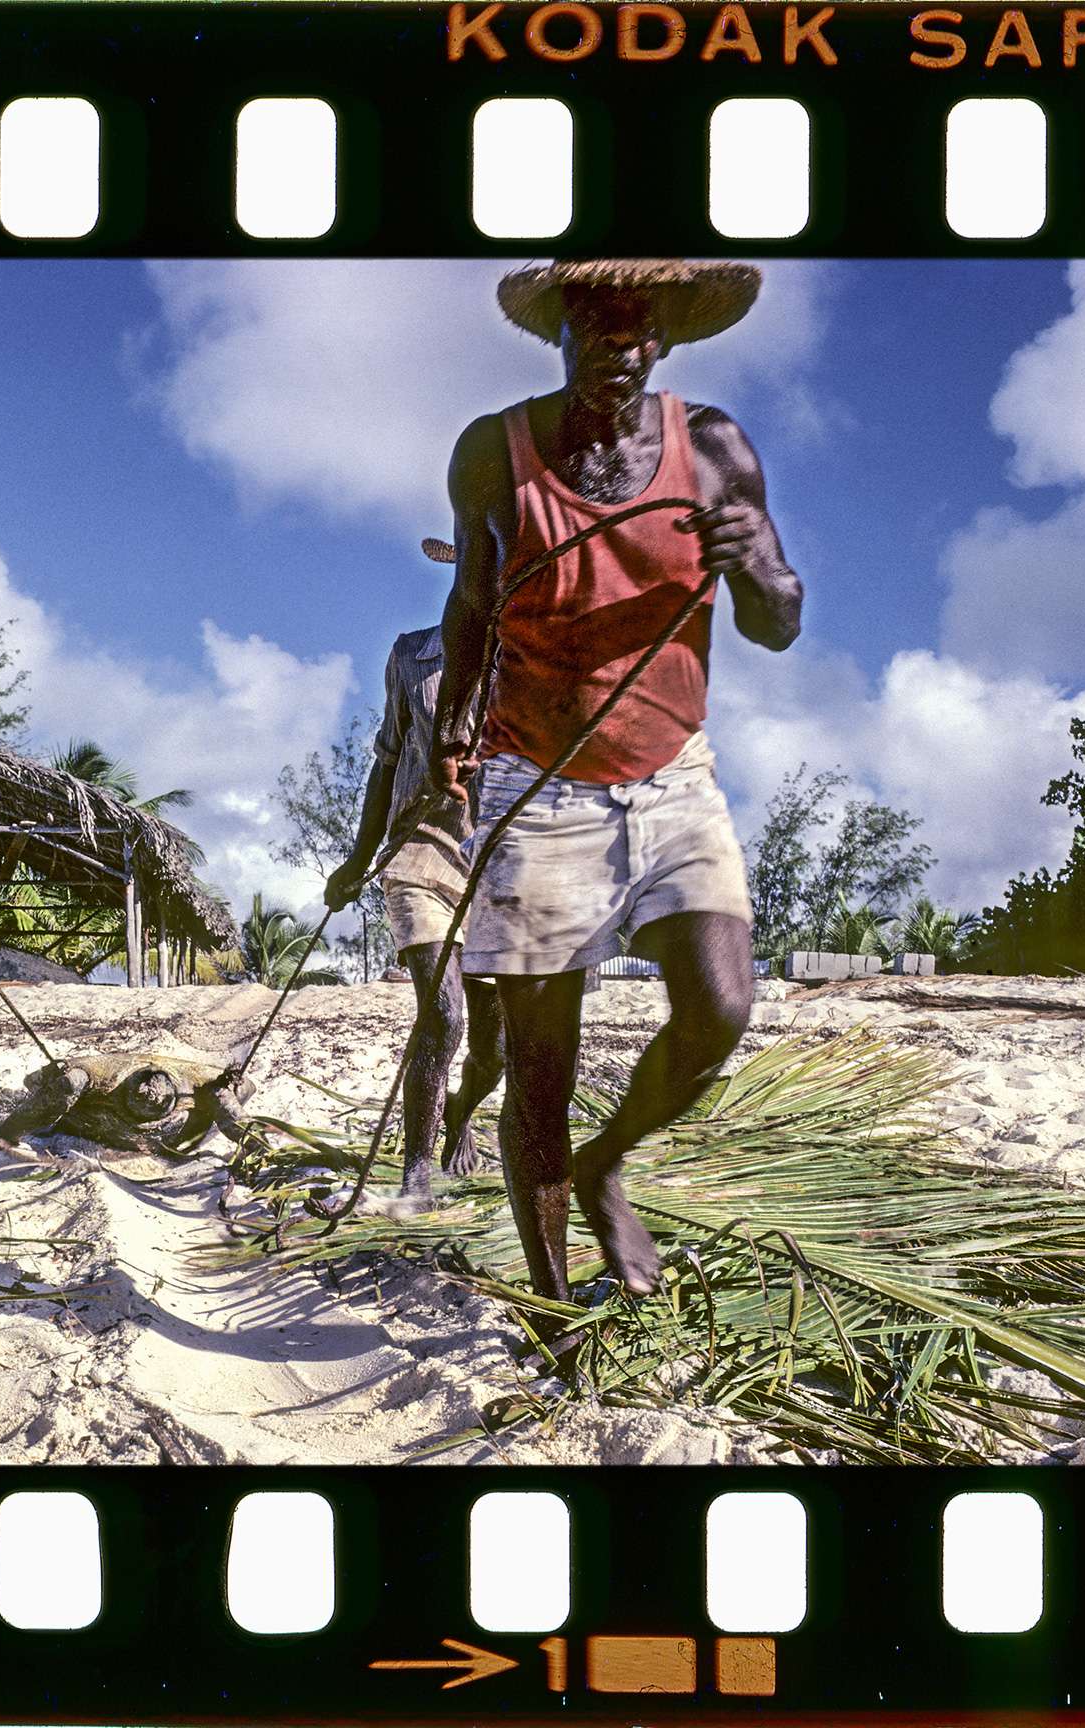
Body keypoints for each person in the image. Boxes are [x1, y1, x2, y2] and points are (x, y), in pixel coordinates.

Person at [430, 260, 803, 1303]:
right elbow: (471, 606)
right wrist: (452, 745)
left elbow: (780, 621)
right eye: (598, 325)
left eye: (639, 330)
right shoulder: (492, 452)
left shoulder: (716, 446)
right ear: (562, 330)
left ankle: (608, 1166)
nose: (619, 348)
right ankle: (552, 1312)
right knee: (538, 1071)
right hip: (537, 782)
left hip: (672, 770)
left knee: (721, 1003)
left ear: (668, 340)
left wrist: (755, 564)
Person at [325, 537, 506, 1213]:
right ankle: (415, 1174)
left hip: (497, 872)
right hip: (418, 858)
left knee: (496, 1053)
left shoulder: (529, 667)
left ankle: (460, 1113)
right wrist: (355, 856)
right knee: (445, 1014)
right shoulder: (412, 656)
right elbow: (385, 759)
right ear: (460, 572)